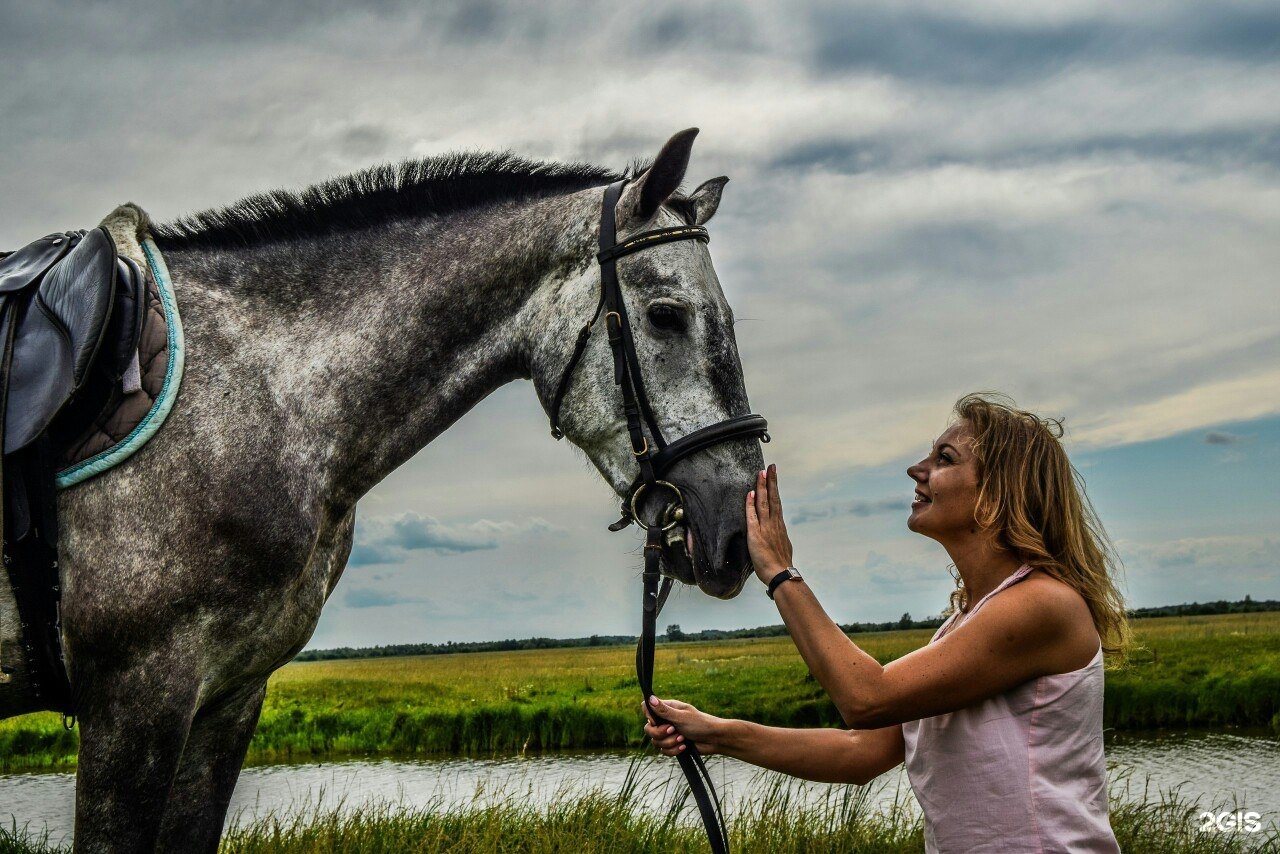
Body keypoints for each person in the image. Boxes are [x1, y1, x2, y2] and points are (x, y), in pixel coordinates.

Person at [643, 393, 1129, 853]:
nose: (916, 470)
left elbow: (866, 698)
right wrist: (717, 734)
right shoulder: (965, 624)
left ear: (1001, 491)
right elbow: (864, 753)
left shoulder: (1044, 605)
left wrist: (779, 571)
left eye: (944, 459)